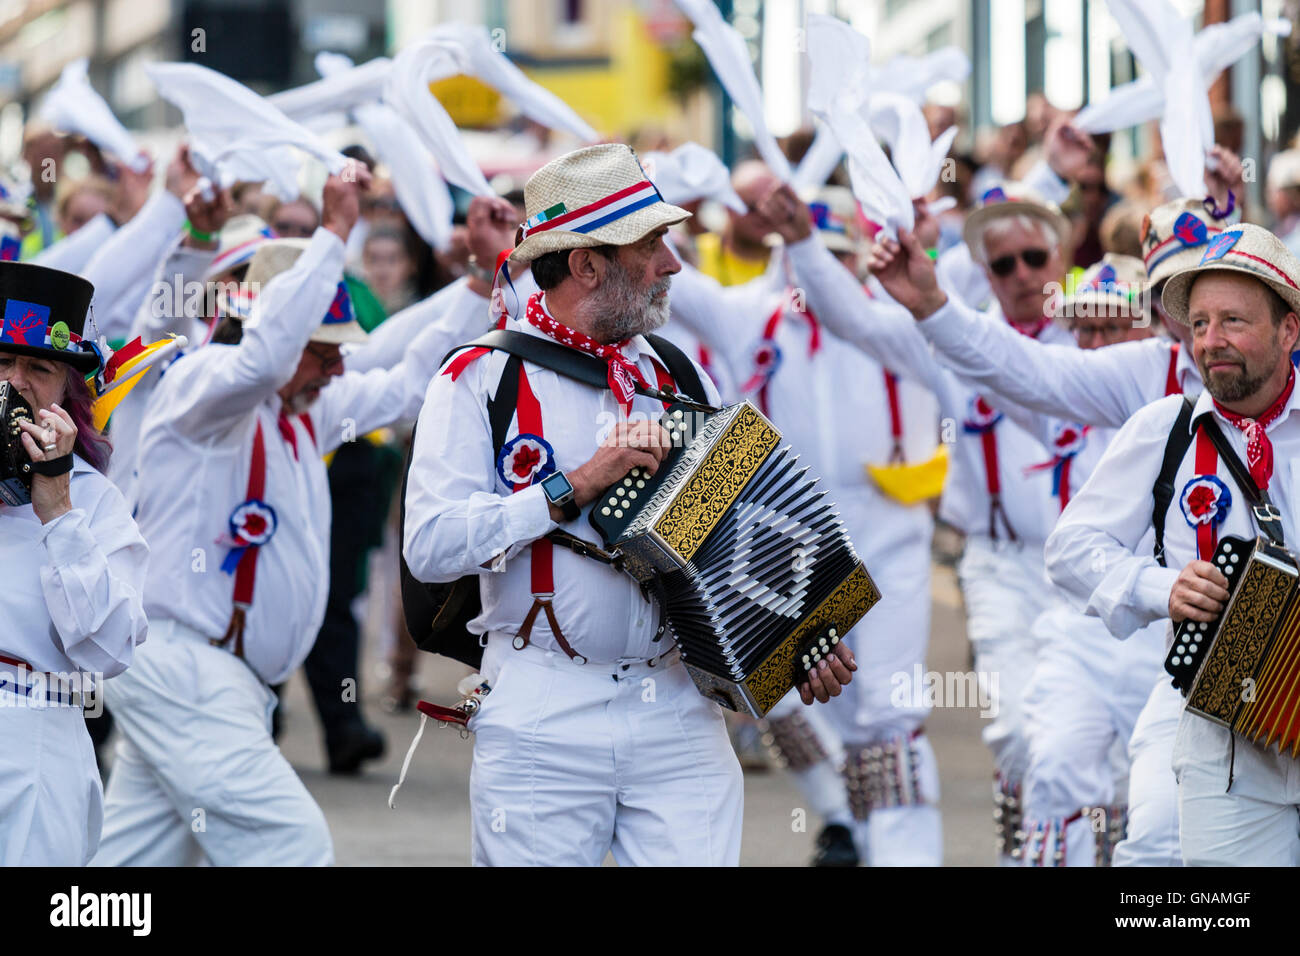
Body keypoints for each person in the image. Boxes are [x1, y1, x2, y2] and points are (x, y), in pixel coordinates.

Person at [403, 143, 856, 866]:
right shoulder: (478, 378)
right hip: (542, 706)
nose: (674, 263)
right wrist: (570, 487)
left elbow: (733, 533)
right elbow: (429, 545)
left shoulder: (678, 371)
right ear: (588, 263)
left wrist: (799, 638)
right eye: (653, 245)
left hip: (679, 710)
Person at [91, 165, 504, 865]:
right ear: (276, 335)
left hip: (224, 682)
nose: (336, 368)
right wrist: (334, 232)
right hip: (187, 672)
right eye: (322, 350)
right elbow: (261, 359)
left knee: (132, 864)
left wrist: (477, 281)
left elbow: (408, 385)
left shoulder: (303, 411)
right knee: (291, 845)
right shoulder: (200, 390)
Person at [1045, 223, 1300, 865]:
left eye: (1234, 322)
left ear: (1288, 331)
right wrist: (1162, 587)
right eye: (1201, 323)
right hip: (1220, 712)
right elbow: (1071, 548)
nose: (1211, 341)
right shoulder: (1167, 428)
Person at [0, 260, 149, 865]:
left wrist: (58, 511)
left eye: (39, 367)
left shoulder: (91, 498)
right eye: (2, 361)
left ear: (68, 389)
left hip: (33, 737)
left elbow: (112, 650)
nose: (15, 381)